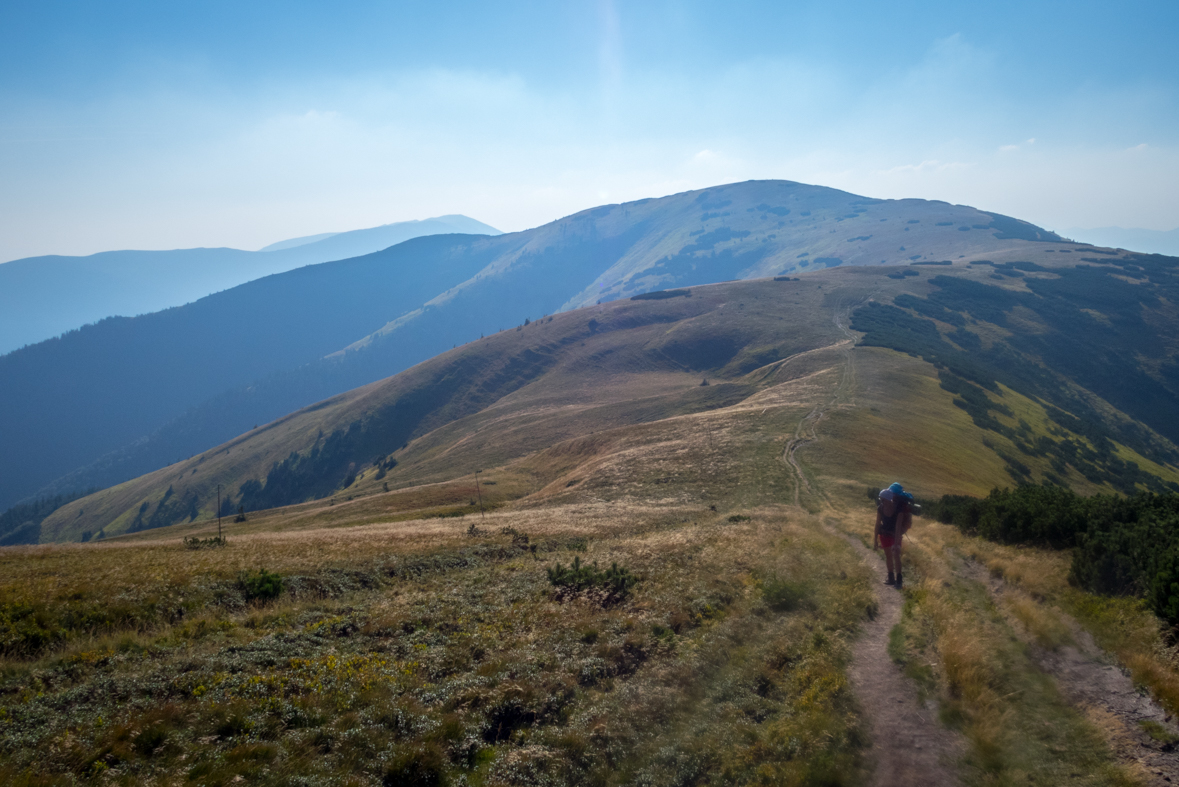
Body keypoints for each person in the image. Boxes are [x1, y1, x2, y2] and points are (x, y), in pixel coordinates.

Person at [873, 482, 913, 588]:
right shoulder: (880, 508)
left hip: (895, 535)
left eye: (883, 500)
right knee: (888, 556)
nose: (881, 502)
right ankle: (891, 578)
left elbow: (898, 527)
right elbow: (877, 524)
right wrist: (875, 541)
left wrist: (896, 543)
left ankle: (899, 580)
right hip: (884, 535)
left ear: (888, 499)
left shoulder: (899, 510)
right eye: (880, 499)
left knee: (896, 556)